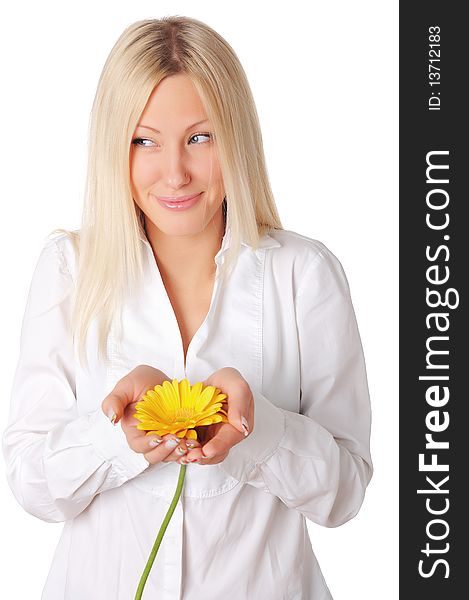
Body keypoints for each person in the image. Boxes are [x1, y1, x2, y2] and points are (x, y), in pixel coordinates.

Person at [2, 15, 372, 600]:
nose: (174, 172)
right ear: (113, 147)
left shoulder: (305, 274)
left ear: (237, 137)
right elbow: (28, 484)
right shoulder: (68, 271)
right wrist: (115, 437)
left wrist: (258, 429)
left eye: (200, 137)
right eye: (143, 140)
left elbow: (344, 494)